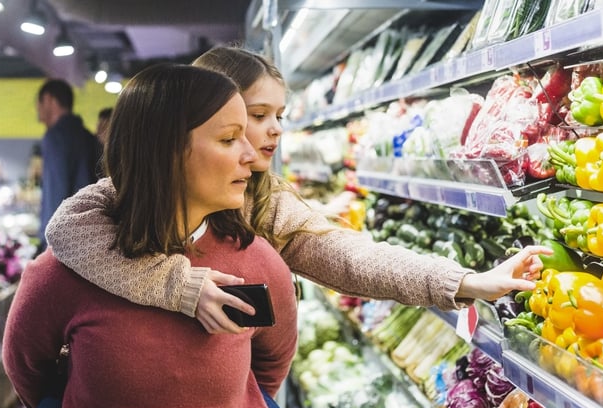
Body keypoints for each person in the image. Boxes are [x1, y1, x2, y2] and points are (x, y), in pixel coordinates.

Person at [45, 45, 551, 335]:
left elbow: (346, 256)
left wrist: (465, 281)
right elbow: (68, 230)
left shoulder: (263, 198)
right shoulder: (122, 199)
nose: (272, 132)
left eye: (277, 117)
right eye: (254, 117)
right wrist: (177, 284)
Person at [3, 64, 300, 408]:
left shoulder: (257, 262)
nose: (250, 154)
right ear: (167, 152)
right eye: (229, 139)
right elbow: (27, 366)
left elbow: (269, 367)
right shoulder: (65, 271)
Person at [34, 79, 100, 254]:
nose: (37, 110)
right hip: (88, 237)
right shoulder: (87, 137)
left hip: (63, 244)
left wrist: (46, 245)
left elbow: (55, 191)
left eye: (38, 103)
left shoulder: (55, 137)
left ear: (49, 100)